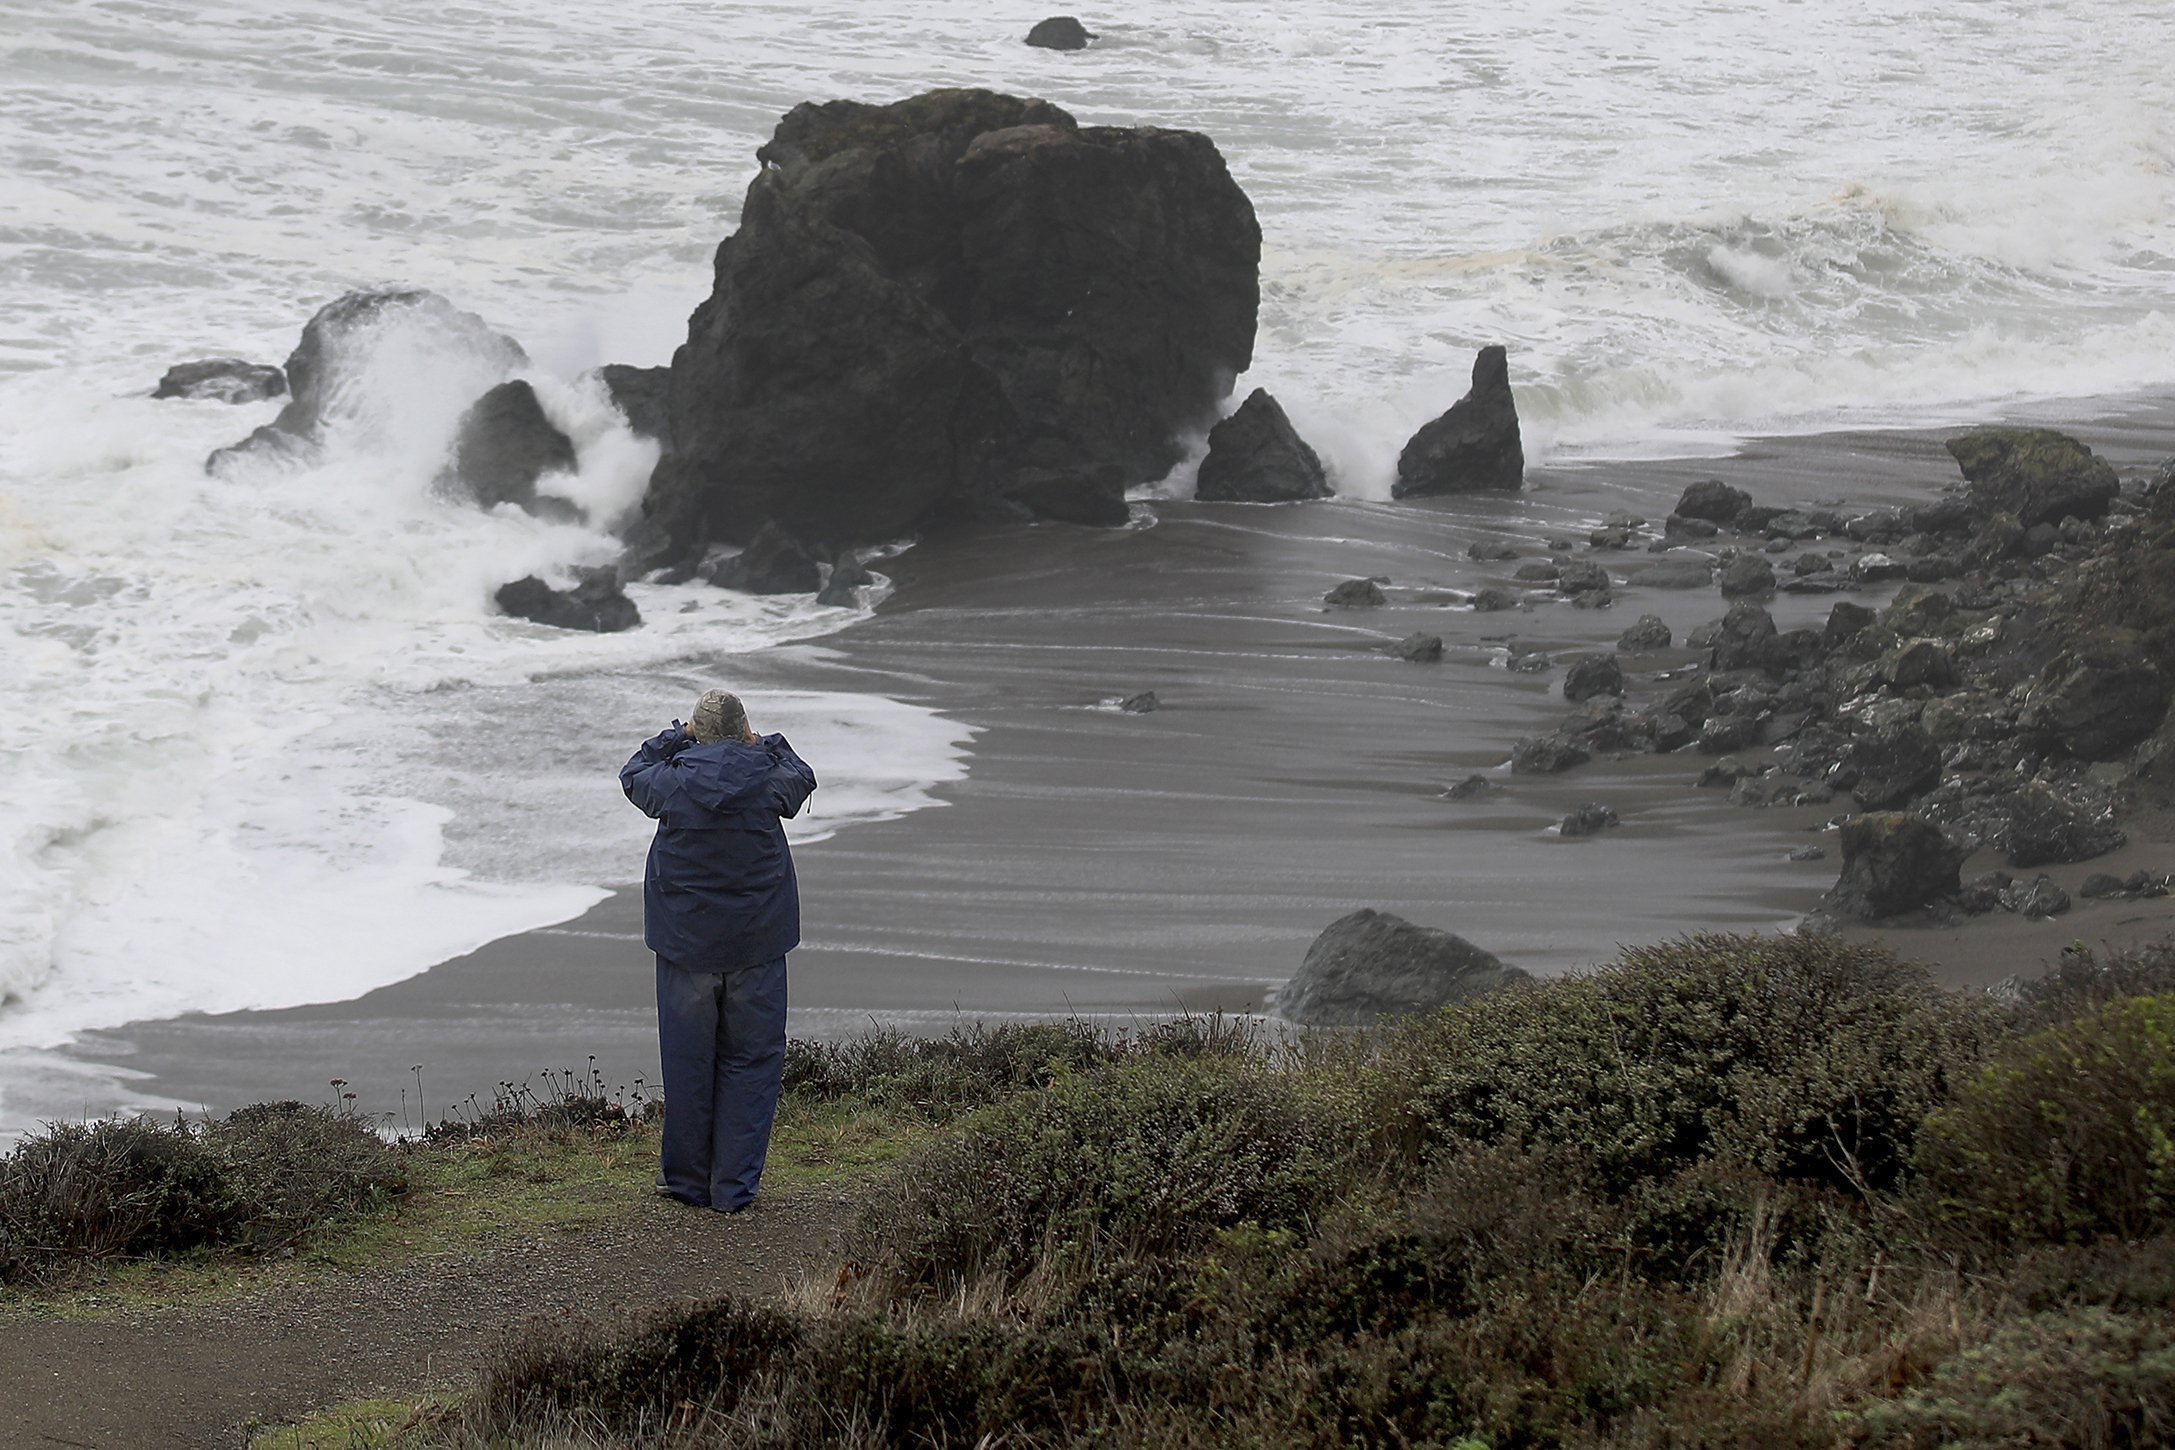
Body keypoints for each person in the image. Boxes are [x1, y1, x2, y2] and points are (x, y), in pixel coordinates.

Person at [619, 689, 816, 1213]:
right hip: (757, 943)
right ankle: (733, 1188)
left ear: (696, 732)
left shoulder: (671, 781)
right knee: (751, 1063)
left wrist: (676, 736)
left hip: (686, 947)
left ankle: (685, 1183)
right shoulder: (771, 778)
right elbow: (802, 773)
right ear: (745, 732)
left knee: (687, 1061)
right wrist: (764, 742)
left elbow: (633, 770)